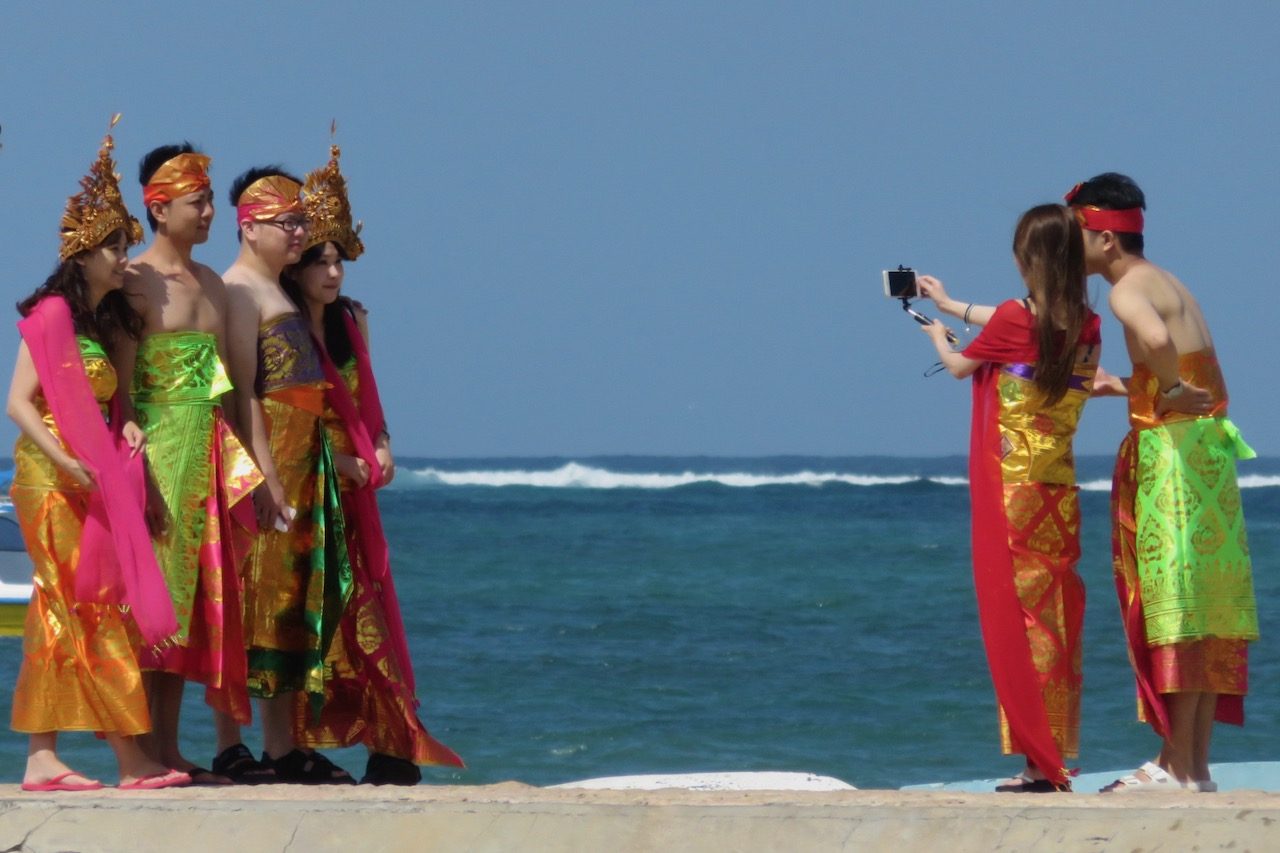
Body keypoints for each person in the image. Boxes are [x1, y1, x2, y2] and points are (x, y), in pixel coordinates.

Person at [6, 119, 189, 791]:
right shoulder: (51, 313)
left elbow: (116, 407)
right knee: (83, 603)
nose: (122, 258)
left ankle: (42, 757)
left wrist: (131, 430)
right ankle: (130, 758)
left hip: (89, 474)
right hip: (50, 477)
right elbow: (18, 404)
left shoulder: (106, 324)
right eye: (113, 247)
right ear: (81, 252)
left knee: (65, 606)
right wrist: (65, 457)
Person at [1065, 173, 1258, 793]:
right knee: (1204, 608)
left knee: (1171, 605)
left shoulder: (1127, 291)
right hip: (1208, 454)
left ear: (1105, 241)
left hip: (1172, 461)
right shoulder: (1170, 279)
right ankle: (1192, 767)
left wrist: (1166, 389)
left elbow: (1153, 340)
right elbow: (1185, 361)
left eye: (1077, 238)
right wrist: (1137, 385)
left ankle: (1173, 765)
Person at [282, 142, 464, 783]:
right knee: (316, 612)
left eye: (338, 261)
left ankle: (390, 740)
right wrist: (337, 459)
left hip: (357, 489)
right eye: (320, 261)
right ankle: (299, 745)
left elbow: (371, 402)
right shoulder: (279, 327)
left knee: (371, 608)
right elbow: (286, 417)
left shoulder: (352, 321)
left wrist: (380, 444)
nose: (332, 273)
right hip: (309, 484)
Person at [917, 204, 1101, 792]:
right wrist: (950, 303)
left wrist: (937, 335)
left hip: (1011, 491)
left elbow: (959, 367)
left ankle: (1036, 761)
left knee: (1020, 625)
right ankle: (1054, 751)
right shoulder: (1088, 324)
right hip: (1057, 491)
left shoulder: (1012, 319)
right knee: (1055, 619)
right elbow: (1010, 324)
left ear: (1028, 262)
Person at [114, 144, 263, 785]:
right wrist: (135, 474)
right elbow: (119, 390)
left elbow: (230, 385)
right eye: (197, 202)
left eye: (207, 200)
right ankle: (140, 754)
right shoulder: (134, 280)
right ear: (159, 207)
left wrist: (248, 470)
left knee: (191, 609)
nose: (207, 212)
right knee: (150, 608)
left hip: (208, 451)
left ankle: (171, 752)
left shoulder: (212, 285)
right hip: (157, 453)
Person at [217, 166, 355, 784]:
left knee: (290, 604)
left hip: (304, 463)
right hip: (269, 462)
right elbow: (242, 394)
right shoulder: (239, 291)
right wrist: (263, 474)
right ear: (250, 228)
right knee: (253, 601)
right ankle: (237, 744)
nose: (300, 232)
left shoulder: (279, 291)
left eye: (301, 220)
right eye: (289, 222)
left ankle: (283, 743)